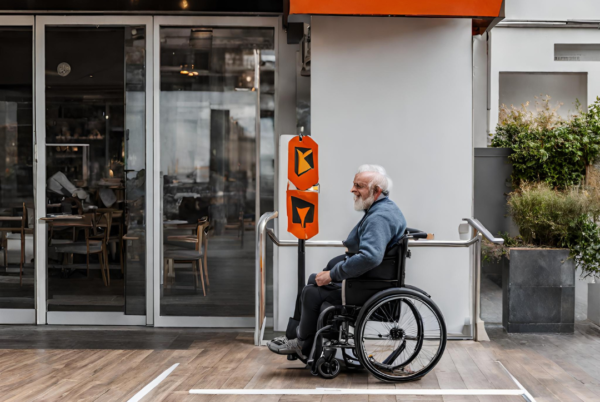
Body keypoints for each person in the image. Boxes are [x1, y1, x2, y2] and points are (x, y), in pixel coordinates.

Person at [268, 164, 407, 358]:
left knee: (310, 293)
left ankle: (302, 344)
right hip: (363, 283)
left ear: (376, 191)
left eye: (359, 185)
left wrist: (333, 274)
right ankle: (294, 337)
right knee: (312, 280)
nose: (352, 189)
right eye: (353, 184)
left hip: (364, 289)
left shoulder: (380, 217)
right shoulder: (383, 209)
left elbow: (370, 257)